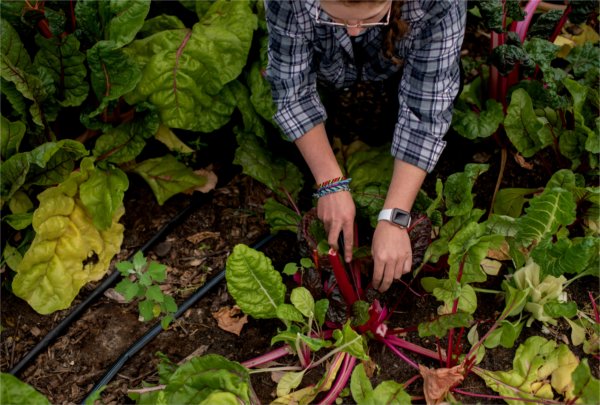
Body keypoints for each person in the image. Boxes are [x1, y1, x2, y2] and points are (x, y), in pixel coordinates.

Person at [264, 0, 467, 292]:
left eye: (371, 18)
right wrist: (330, 181)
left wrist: (395, 217)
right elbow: (292, 90)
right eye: (337, 19)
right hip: (329, 77)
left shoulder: (438, 3)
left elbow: (427, 109)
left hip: (395, 72)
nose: (355, 31)